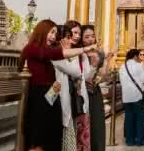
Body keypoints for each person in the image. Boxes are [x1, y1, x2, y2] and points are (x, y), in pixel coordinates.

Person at [20, 19, 93, 151]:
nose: (53, 37)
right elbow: (58, 56)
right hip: (38, 97)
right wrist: (84, 49)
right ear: (42, 32)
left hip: (50, 96)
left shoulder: (47, 51)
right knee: (39, 139)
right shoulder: (32, 48)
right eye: (51, 32)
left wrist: (56, 94)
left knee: (53, 137)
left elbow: (57, 81)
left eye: (55, 33)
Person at [54, 20, 91, 151]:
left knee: (79, 136)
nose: (76, 37)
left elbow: (85, 75)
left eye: (78, 34)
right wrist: (70, 52)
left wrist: (81, 55)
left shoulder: (80, 55)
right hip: (60, 99)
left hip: (76, 99)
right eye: (72, 34)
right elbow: (75, 72)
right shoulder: (57, 54)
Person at [80, 25, 111, 151]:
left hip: (95, 92)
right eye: (86, 37)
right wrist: (92, 65)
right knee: (83, 127)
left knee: (97, 126)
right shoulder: (79, 54)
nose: (90, 39)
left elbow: (103, 76)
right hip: (81, 93)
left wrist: (106, 62)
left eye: (92, 36)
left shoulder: (99, 53)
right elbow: (84, 77)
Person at [119, 49, 144, 146]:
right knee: (140, 119)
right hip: (137, 96)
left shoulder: (122, 67)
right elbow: (143, 79)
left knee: (129, 119)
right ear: (135, 56)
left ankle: (129, 140)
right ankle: (140, 140)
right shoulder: (138, 66)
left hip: (126, 97)